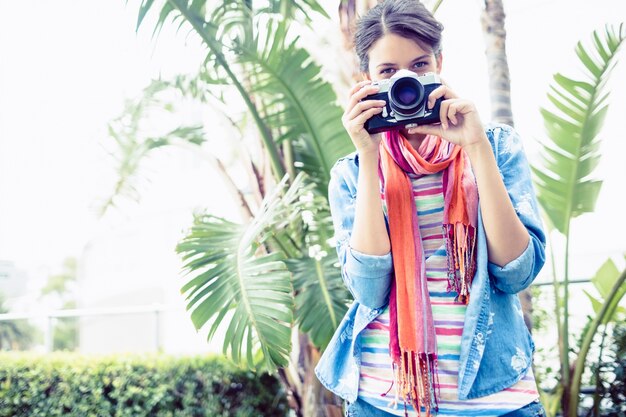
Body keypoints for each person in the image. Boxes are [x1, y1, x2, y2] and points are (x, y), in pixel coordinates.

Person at [314, 1, 548, 416]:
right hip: (384, 400)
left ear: (440, 63)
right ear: (367, 78)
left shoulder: (494, 146)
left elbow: (517, 273)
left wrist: (474, 147)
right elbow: (369, 290)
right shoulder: (352, 172)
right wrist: (368, 157)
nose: (406, 81)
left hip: (497, 399)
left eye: (420, 65)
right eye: (388, 72)